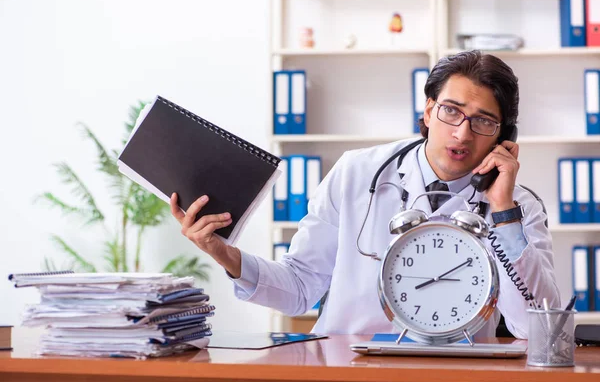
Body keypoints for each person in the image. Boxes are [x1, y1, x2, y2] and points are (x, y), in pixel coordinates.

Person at [170, 50, 560, 339]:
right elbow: (300, 289)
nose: (462, 133)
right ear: (427, 111)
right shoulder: (357, 172)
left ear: (504, 136)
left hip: (455, 371)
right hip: (347, 367)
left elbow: (533, 326)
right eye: (451, 111)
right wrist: (225, 254)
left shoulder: (517, 205)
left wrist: (502, 212)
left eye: (483, 121)